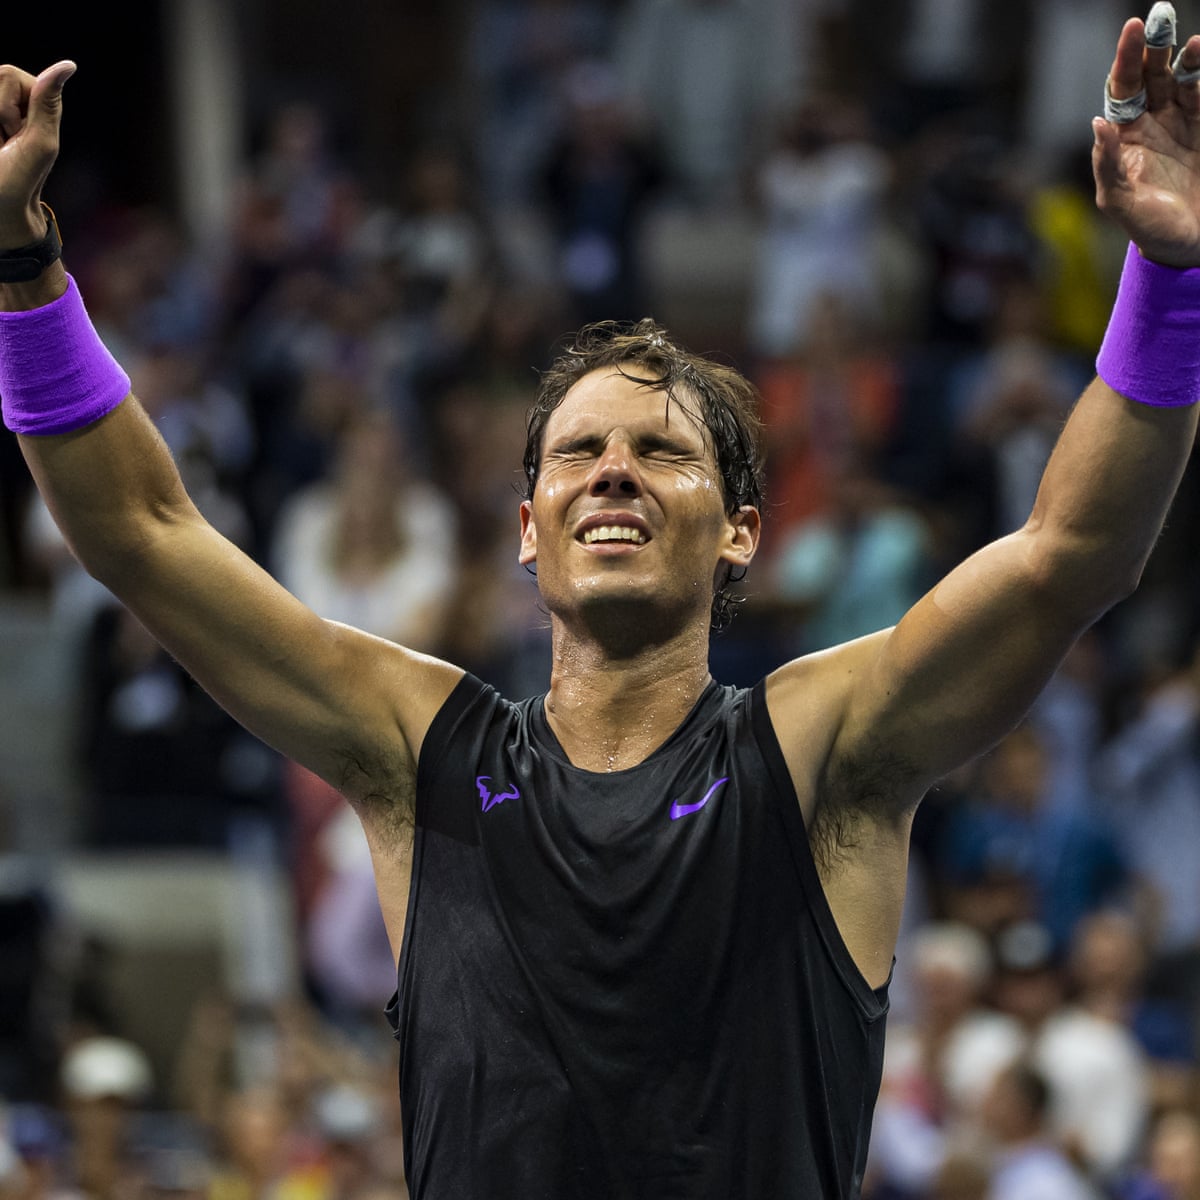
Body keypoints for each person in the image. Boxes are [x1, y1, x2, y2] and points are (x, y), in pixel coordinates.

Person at [2, 7, 1200, 1195]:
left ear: (741, 533)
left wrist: (1173, 273)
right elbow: (144, 534)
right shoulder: (413, 748)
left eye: (661, 452)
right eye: (575, 454)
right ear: (528, 530)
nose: (613, 469)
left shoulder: (826, 751)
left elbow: (1070, 553)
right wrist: (21, 267)